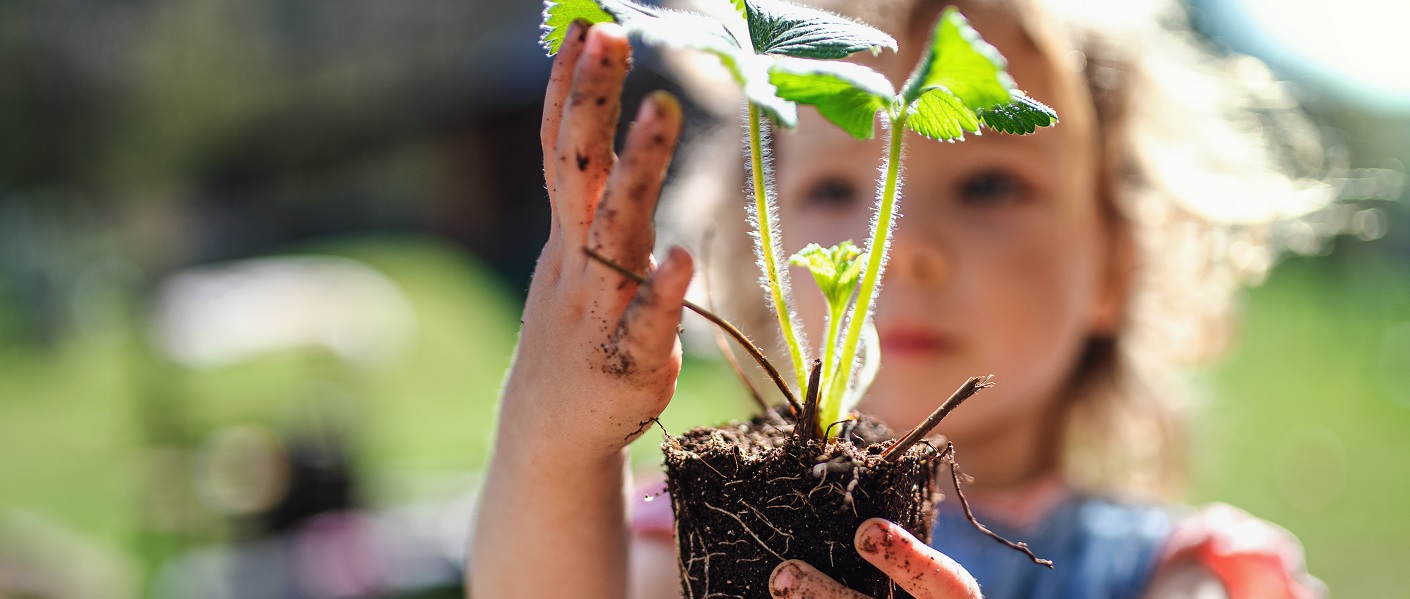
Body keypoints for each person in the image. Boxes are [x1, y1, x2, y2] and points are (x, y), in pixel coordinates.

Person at [468, 0, 1329, 596]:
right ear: (757, 235)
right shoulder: (695, 530)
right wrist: (555, 436)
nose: (905, 248)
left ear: (1116, 261)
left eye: (990, 184)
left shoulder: (1177, 574)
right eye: (840, 189)